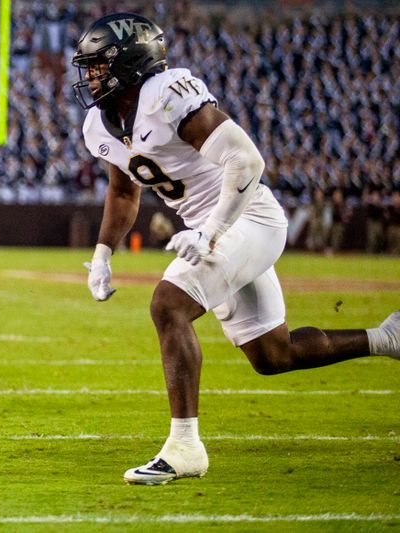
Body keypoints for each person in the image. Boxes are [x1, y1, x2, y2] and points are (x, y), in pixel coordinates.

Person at [74, 13, 400, 485]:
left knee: (169, 304)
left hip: (248, 217)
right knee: (273, 355)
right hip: (213, 225)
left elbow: (246, 160)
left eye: (98, 66)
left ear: (130, 61)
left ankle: (184, 447)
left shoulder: (167, 94)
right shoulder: (99, 125)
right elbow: (124, 192)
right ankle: (386, 338)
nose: (90, 78)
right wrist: (104, 252)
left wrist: (210, 232)